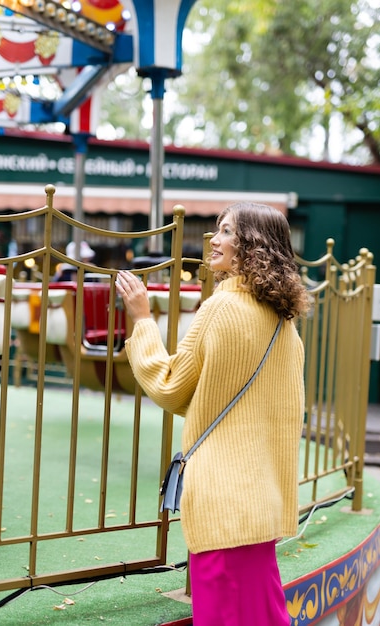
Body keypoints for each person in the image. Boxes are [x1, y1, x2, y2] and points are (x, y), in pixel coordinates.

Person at [115, 202, 310, 626]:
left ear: (251, 245)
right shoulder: (284, 324)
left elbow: (171, 387)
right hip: (262, 504)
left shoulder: (220, 308)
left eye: (225, 231)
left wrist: (142, 320)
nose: (214, 240)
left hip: (223, 503)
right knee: (263, 614)